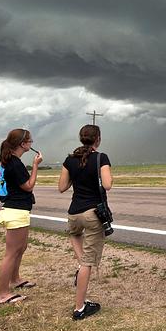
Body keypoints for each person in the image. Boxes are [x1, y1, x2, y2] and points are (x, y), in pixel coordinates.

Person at [58, 124, 111, 320]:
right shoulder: (101, 158)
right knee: (88, 263)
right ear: (98, 139)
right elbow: (108, 184)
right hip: (92, 213)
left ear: (81, 138)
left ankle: (80, 272)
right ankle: (79, 308)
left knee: (75, 237)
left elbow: (62, 187)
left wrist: (76, 174)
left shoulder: (70, 159)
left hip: (74, 214)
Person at [0, 128, 42, 305]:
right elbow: (28, 186)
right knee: (11, 253)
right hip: (15, 211)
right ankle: (3, 293)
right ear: (23, 144)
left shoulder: (11, 162)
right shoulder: (15, 164)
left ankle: (15, 279)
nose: (31, 144)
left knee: (21, 248)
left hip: (18, 211)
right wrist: (36, 165)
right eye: (30, 141)